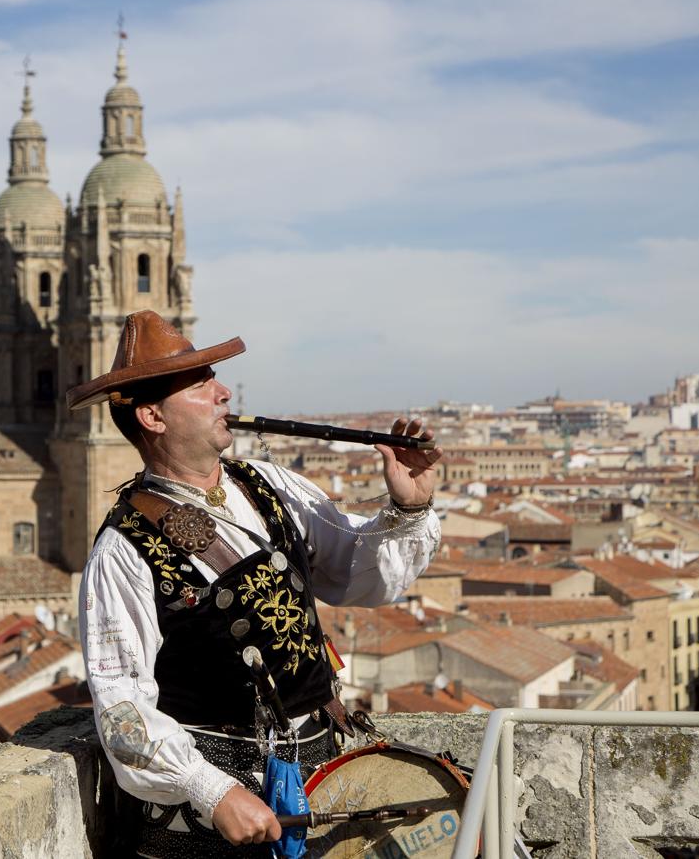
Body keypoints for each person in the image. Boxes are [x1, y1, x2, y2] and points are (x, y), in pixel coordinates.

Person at [68, 310, 443, 858]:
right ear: (152, 415)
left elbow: (358, 576)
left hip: (318, 783)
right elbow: (122, 708)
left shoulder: (269, 486)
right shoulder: (122, 551)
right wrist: (211, 791)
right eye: (200, 383)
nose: (222, 391)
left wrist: (409, 507)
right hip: (210, 824)